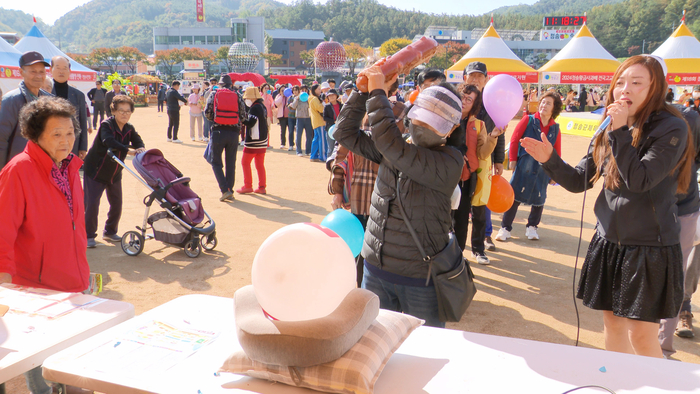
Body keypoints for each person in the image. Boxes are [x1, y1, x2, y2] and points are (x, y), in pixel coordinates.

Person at [521, 55, 694, 358]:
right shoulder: (608, 124)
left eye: (637, 83)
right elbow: (579, 180)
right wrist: (550, 159)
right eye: (621, 82)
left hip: (649, 246)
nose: (625, 89)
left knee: (641, 335)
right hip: (609, 239)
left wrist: (620, 131)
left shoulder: (672, 127)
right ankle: (618, 384)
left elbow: (640, 180)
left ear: (656, 88)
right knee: (611, 325)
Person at [335, 64, 463, 328]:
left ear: (450, 131)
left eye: (435, 123)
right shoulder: (396, 146)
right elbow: (344, 133)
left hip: (421, 278)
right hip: (375, 270)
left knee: (424, 350)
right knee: (372, 342)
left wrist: (378, 92)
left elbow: (392, 146)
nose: (423, 126)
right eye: (421, 118)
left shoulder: (450, 162)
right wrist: (361, 92)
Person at [0, 96, 90, 394]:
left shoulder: (69, 167)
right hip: (36, 289)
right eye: (57, 134)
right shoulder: (19, 170)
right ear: (36, 135)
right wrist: (5, 284)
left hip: (73, 284)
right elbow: (2, 230)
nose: (66, 141)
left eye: (70, 133)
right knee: (42, 368)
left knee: (75, 366)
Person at [657, 104, 700, 357]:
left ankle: (662, 343)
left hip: (684, 208)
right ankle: (654, 341)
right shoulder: (637, 117)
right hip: (651, 207)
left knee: (676, 274)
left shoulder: (691, 118)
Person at [496, 91, 563, 242]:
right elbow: (514, 139)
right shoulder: (528, 120)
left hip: (543, 170)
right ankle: (505, 228)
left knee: (539, 198)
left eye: (548, 103)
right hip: (524, 166)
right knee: (515, 197)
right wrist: (513, 159)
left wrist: (555, 174)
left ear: (555, 108)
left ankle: (532, 227)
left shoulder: (555, 128)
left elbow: (556, 152)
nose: (544, 105)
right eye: (543, 102)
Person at [83, 95, 145, 248]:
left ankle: (110, 231)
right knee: (92, 204)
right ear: (114, 111)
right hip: (96, 171)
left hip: (114, 172)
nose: (124, 114)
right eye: (121, 110)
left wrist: (140, 148)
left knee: (117, 203)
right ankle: (88, 235)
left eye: (128, 111)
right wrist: (128, 151)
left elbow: (138, 140)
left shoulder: (129, 128)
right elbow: (108, 141)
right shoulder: (106, 125)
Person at [452, 84, 502, 258]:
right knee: (444, 220)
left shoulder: (479, 125)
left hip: (466, 179)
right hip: (446, 178)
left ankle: (460, 255)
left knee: (462, 220)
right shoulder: (447, 118)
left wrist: (493, 136)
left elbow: (482, 152)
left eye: (469, 99)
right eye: (463, 97)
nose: (464, 101)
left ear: (475, 104)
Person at [463, 61, 506, 258]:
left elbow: (500, 130)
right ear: (465, 78)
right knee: (459, 207)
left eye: (480, 76)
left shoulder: (492, 102)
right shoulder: (460, 99)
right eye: (472, 75)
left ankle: (482, 243)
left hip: (484, 159)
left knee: (481, 205)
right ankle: (457, 248)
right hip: (460, 163)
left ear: (487, 79)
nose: (476, 79)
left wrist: (499, 160)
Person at [0, 51, 52, 171]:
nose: (39, 76)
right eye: (33, 71)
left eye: (42, 72)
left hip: (42, 166)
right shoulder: (12, 100)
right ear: (21, 72)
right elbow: (1, 139)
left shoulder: (49, 99)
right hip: (18, 168)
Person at [204, 74, 247, 202]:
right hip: (234, 133)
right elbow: (243, 115)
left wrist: (216, 120)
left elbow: (207, 113)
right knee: (231, 163)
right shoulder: (238, 95)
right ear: (231, 84)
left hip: (218, 131)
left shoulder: (214, 94)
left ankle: (224, 190)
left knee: (216, 162)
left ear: (221, 84)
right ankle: (230, 189)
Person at [50, 56, 88, 160]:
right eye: (57, 67)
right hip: (49, 143)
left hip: (71, 144)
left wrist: (83, 147)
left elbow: (82, 123)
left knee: (69, 173)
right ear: (51, 70)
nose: (61, 71)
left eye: (64, 68)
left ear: (69, 71)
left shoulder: (78, 95)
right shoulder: (43, 93)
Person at [237, 86, 269, 195]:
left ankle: (248, 185)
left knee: (245, 162)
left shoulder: (255, 108)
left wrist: (242, 119)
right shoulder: (262, 106)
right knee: (260, 164)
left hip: (253, 141)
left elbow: (251, 123)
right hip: (263, 139)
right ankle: (262, 186)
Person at [290, 85, 313, 157]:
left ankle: (308, 151)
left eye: (305, 90)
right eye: (302, 90)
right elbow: (293, 106)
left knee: (309, 135)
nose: (304, 91)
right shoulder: (297, 98)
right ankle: (298, 151)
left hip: (308, 118)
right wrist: (297, 99)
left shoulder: (309, 98)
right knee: (298, 135)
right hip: (299, 118)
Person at [308, 84, 327, 162]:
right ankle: (323, 156)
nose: (320, 91)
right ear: (314, 90)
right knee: (322, 140)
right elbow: (322, 109)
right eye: (319, 89)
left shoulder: (312, 98)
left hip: (316, 122)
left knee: (316, 139)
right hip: (320, 122)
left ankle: (314, 155)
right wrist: (323, 102)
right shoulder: (315, 99)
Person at [323, 89, 343, 155]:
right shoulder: (327, 106)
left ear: (336, 96)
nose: (331, 97)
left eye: (333, 95)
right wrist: (333, 121)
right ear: (327, 97)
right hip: (330, 129)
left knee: (340, 148)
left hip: (340, 128)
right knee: (330, 148)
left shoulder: (342, 106)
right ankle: (329, 163)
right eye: (329, 95)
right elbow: (324, 117)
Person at [274, 85, 290, 150]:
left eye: (284, 90)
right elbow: (276, 103)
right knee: (283, 130)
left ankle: (291, 143)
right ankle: (283, 143)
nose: (283, 91)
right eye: (282, 90)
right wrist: (282, 96)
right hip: (282, 116)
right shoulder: (278, 96)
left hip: (289, 116)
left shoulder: (289, 96)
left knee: (291, 130)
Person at [287, 85, 299, 151]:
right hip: (290, 117)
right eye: (294, 90)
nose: (295, 91)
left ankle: (297, 145)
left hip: (298, 117)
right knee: (290, 131)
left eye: (296, 90)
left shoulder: (300, 98)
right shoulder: (290, 98)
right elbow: (288, 105)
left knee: (298, 132)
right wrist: (290, 105)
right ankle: (291, 145)